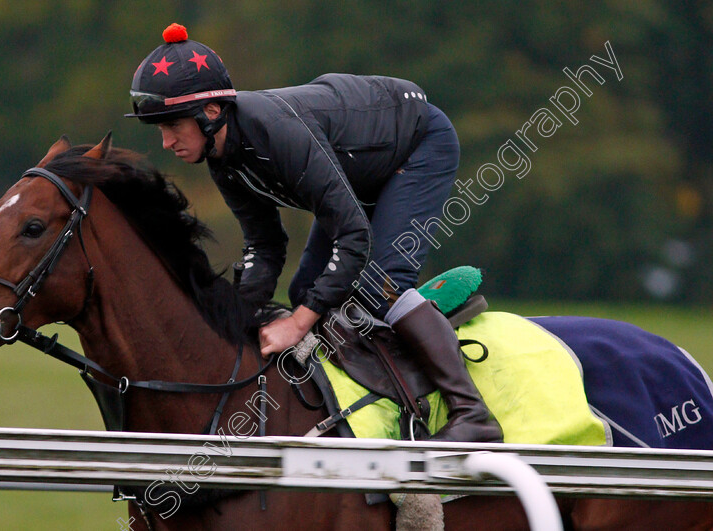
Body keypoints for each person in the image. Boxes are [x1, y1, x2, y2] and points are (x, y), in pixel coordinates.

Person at [126, 23, 502, 443]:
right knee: (306, 290)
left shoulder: (276, 133)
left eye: (172, 125)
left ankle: (472, 412)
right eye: (159, 129)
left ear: (210, 112)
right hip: (362, 164)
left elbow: (354, 237)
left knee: (380, 284)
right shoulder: (222, 156)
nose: (165, 142)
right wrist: (237, 320)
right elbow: (265, 245)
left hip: (418, 143)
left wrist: (297, 325)